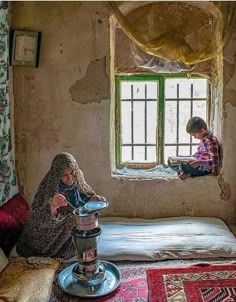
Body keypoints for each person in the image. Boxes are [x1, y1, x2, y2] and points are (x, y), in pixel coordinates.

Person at [16, 152, 106, 259]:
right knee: (72, 219)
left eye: (72, 173)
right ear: (57, 174)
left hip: (67, 229)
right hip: (48, 230)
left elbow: (82, 197)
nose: (69, 178)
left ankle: (67, 242)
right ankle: (52, 249)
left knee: (82, 218)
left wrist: (92, 199)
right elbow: (37, 215)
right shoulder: (50, 186)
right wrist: (53, 206)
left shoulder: (77, 180)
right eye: (64, 175)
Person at [169, 116, 220, 181]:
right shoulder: (203, 139)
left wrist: (199, 162)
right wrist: (190, 158)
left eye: (194, 135)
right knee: (173, 162)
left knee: (182, 167)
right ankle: (186, 172)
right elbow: (200, 153)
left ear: (202, 131)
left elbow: (215, 161)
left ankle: (188, 173)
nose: (194, 137)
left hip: (203, 169)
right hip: (197, 164)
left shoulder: (211, 141)